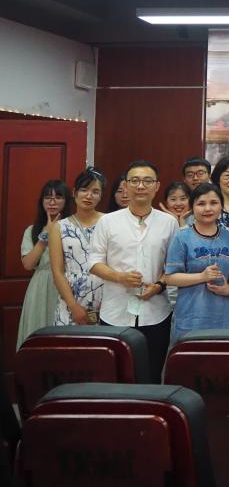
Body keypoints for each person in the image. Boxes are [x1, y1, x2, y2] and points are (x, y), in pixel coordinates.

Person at [88, 160, 178, 379]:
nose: (140, 186)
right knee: (116, 375)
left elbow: (174, 265)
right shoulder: (107, 221)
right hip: (115, 312)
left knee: (152, 375)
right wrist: (119, 277)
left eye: (147, 181)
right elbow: (94, 262)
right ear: (126, 186)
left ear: (156, 186)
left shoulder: (169, 222)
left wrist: (159, 286)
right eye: (135, 181)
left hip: (156, 312)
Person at [164, 182, 229, 342]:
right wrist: (202, 277)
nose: (207, 208)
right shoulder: (182, 238)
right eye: (201, 203)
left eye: (214, 203)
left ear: (221, 206)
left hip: (222, 317)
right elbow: (170, 278)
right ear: (192, 207)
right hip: (190, 317)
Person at [17, 180, 73, 347]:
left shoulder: (73, 229)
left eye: (58, 197)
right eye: (48, 197)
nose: (52, 202)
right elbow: (28, 264)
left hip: (67, 285)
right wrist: (45, 235)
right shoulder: (32, 230)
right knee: (37, 329)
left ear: (67, 201)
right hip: (40, 286)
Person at [49, 169, 107, 327]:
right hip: (70, 299)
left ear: (101, 196)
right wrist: (73, 306)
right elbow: (57, 272)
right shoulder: (59, 227)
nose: (89, 196)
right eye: (84, 190)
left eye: (95, 192)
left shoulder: (109, 222)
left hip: (106, 300)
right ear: (74, 192)